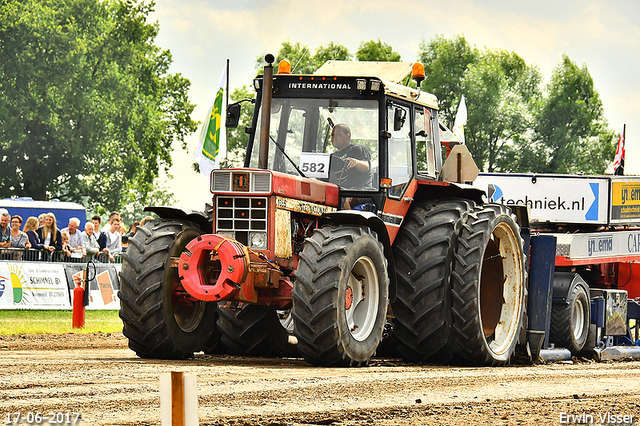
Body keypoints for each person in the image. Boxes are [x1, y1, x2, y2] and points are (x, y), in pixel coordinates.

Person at [330, 123, 372, 190]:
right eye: (332, 135)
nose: (334, 137)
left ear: (347, 136)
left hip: (359, 192)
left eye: (338, 134)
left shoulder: (356, 149)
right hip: (339, 191)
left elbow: (366, 167)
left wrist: (355, 162)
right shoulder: (333, 156)